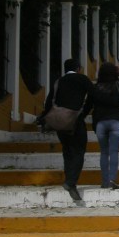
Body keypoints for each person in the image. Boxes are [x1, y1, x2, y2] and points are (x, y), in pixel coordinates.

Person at [37, 59, 93, 201]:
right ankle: (70, 182)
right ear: (78, 68)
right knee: (79, 151)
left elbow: (49, 102)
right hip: (75, 120)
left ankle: (69, 180)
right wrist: (84, 112)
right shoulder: (83, 79)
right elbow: (93, 97)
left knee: (67, 150)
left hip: (60, 122)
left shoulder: (59, 81)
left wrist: (44, 118)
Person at [92, 62, 119, 190]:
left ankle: (104, 181)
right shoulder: (118, 85)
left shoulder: (95, 87)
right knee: (114, 151)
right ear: (114, 73)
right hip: (116, 121)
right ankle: (112, 180)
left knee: (104, 152)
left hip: (100, 123)